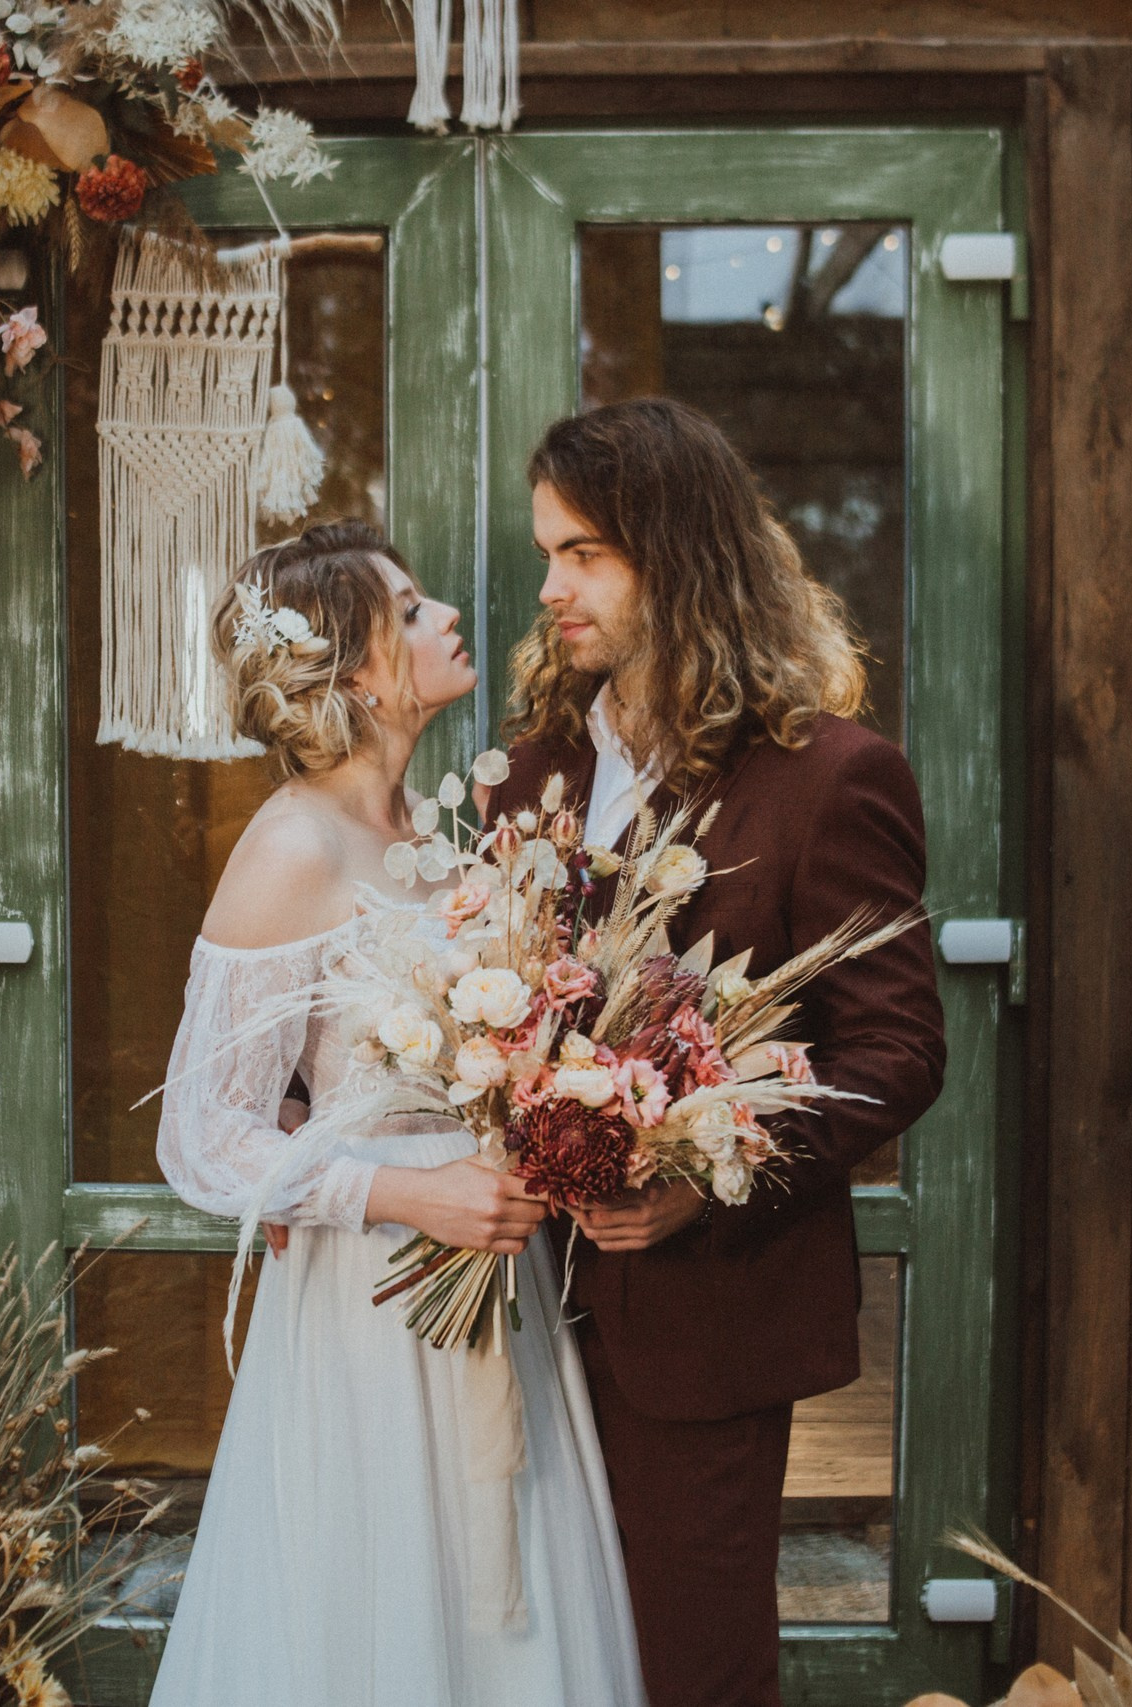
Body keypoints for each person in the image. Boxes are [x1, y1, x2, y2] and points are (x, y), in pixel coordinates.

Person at [485, 399, 947, 1707]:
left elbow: (898, 1046)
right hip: (517, 1311)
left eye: (585, 553)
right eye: (548, 551)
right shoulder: (530, 776)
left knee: (691, 1673)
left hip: (703, 1315)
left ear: (677, 557)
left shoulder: (832, 778)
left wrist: (711, 1167)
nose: (551, 585)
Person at [149, 520, 646, 1707]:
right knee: (379, 1605)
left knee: (502, 1592)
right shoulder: (291, 847)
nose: (449, 620)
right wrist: (410, 1192)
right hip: (376, 1306)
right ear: (364, 673)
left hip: (493, 1284)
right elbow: (201, 1129)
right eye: (415, 609)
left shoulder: (428, 834)